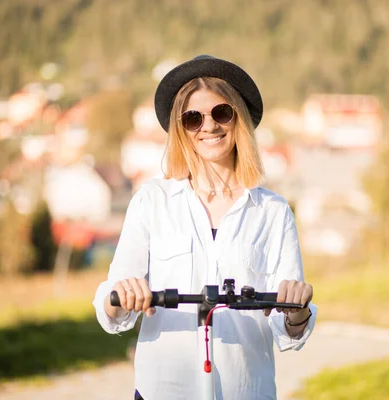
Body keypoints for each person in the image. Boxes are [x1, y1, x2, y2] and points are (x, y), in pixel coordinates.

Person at [93, 54, 316, 400]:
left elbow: (290, 332)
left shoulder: (272, 212)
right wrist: (122, 297)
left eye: (221, 113)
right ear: (181, 130)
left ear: (239, 119)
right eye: (193, 118)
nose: (208, 126)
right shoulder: (152, 202)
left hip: (246, 390)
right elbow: (110, 308)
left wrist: (298, 310)